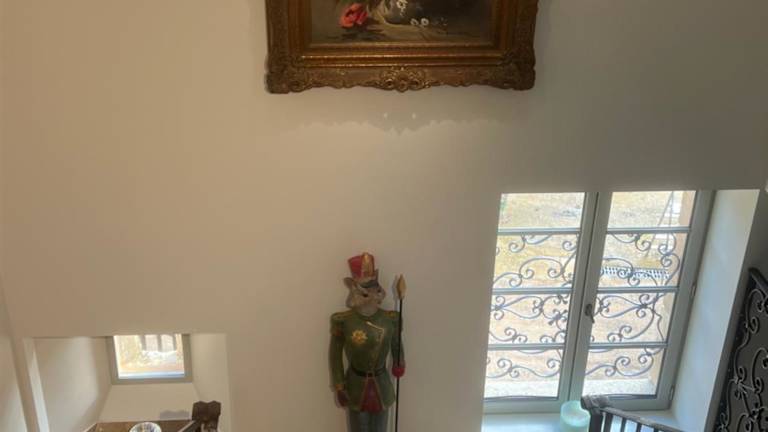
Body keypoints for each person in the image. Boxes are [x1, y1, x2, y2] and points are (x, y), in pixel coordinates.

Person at [330, 253, 405, 432]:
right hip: (356, 386)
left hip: (381, 385)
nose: (371, 293)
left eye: (373, 287)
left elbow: (396, 343)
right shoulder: (344, 321)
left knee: (380, 428)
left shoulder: (390, 319)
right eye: (365, 289)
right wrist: (339, 385)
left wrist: (399, 362)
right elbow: (335, 355)